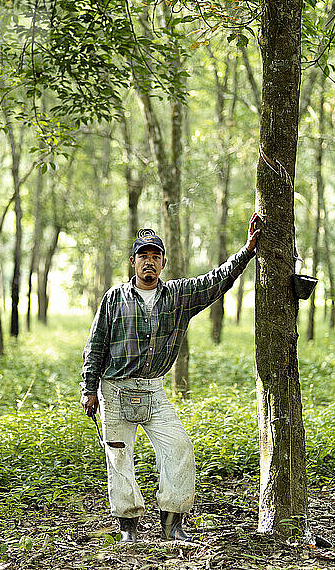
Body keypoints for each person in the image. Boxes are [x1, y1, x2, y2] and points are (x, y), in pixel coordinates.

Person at [80, 214, 260, 543]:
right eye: (143, 256)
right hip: (115, 391)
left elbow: (216, 280)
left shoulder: (177, 296)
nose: (149, 262)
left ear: (163, 262)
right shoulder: (114, 298)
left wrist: (247, 250)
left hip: (153, 391)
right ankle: (128, 529)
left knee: (179, 448)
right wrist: (89, 389)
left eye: (155, 256)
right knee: (119, 458)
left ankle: (172, 524)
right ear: (133, 262)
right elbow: (96, 345)